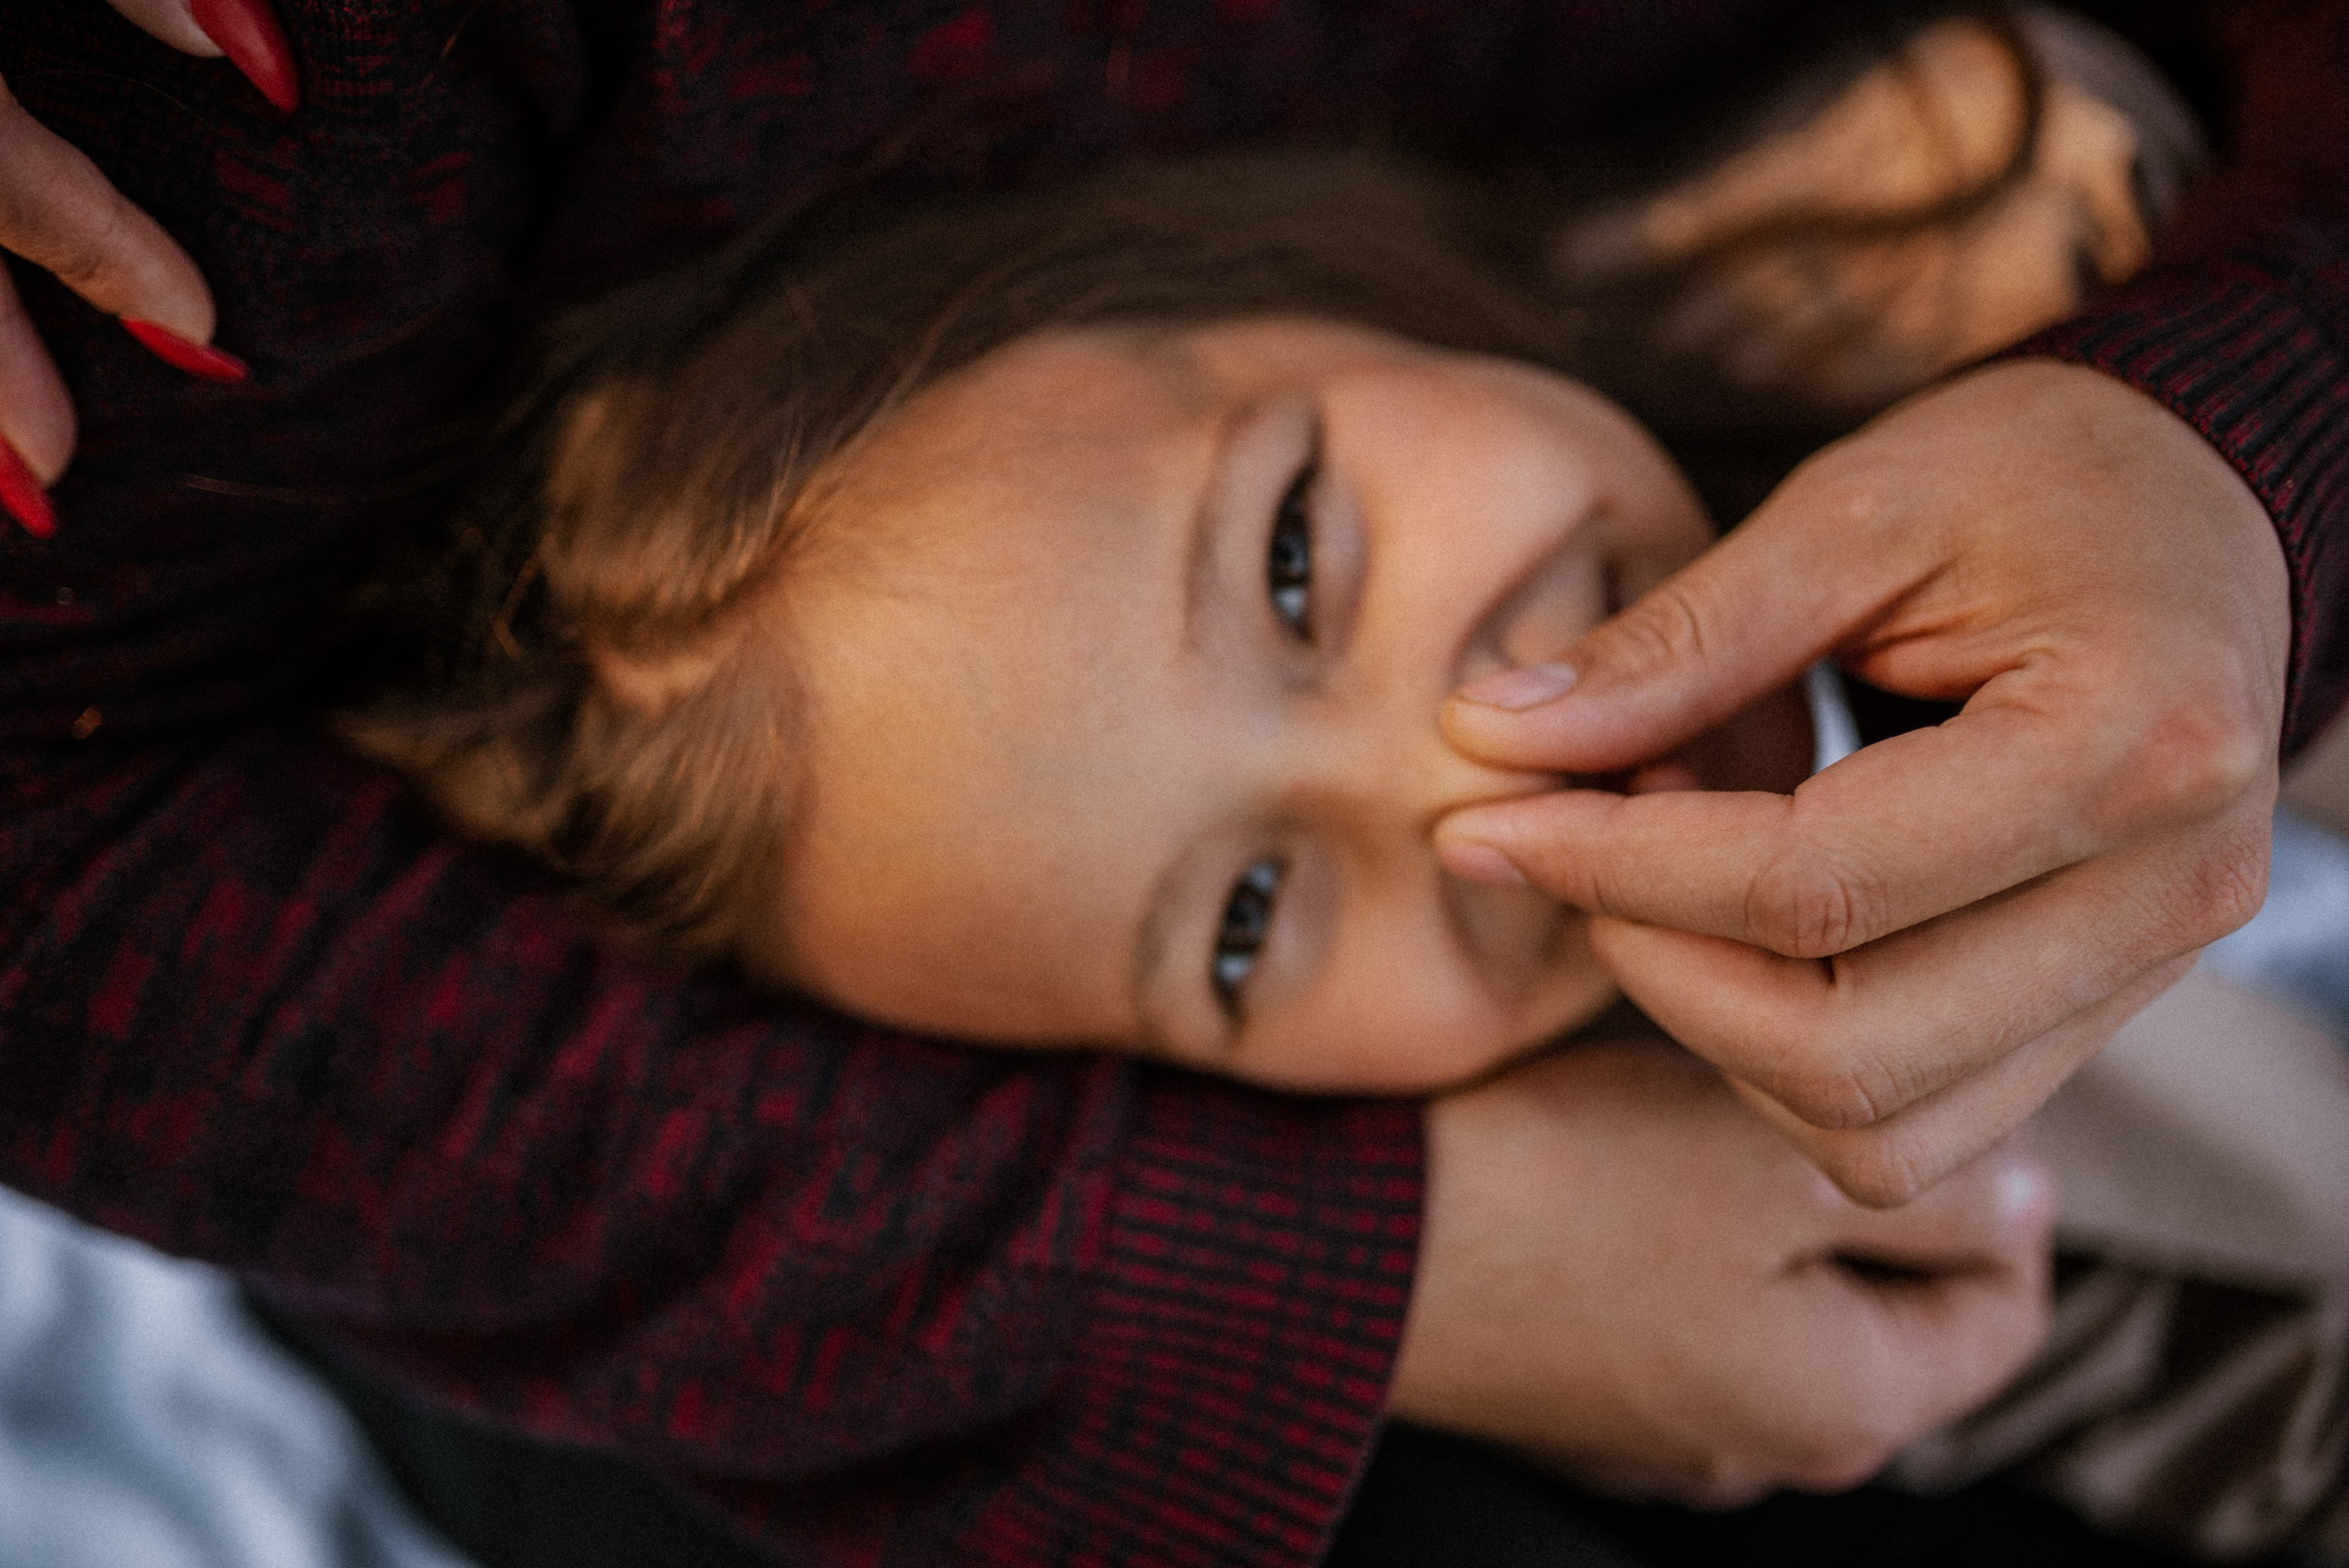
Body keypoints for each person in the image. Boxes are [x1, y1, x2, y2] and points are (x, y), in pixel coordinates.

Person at [0, 3, 2340, 1563]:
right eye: (1243, 929)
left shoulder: (2003, 179)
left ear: (1243, 270)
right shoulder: (1802, 1291)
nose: (1462, 795)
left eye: (1299, 559)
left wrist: (2256, 436)